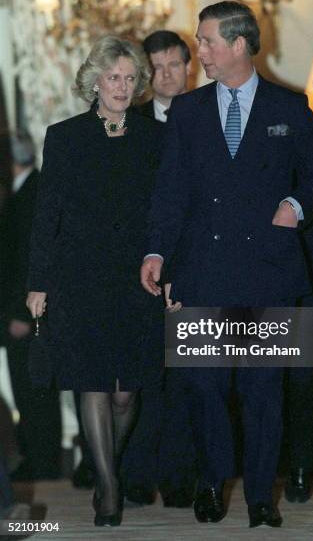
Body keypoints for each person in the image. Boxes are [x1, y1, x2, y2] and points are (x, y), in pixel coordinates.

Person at [141, 1, 313, 528]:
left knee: (264, 387)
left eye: (208, 42)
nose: (201, 53)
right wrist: (155, 251)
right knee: (203, 384)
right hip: (203, 269)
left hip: (269, 268)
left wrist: (296, 206)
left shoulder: (290, 109)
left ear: (239, 44)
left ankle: (262, 494)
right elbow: (169, 193)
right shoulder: (188, 111)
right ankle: (211, 482)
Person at [26, 36, 164, 527]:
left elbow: (164, 212)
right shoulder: (64, 136)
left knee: (126, 392)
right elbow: (48, 214)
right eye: (113, 78)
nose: (122, 87)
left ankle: (110, 463)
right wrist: (38, 281)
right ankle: (108, 487)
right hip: (79, 276)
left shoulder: (153, 138)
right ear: (94, 81)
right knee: (93, 382)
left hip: (135, 278)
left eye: (130, 78)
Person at [123, 30, 196, 509]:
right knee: (141, 374)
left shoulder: (211, 114)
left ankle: (179, 477)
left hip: (196, 263)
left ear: (189, 65)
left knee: (188, 376)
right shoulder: (129, 124)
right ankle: (135, 473)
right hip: (141, 266)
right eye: (157, 68)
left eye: (173, 65)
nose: (166, 75)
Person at [1, 132, 62, 481]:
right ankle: (38, 462)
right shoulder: (22, 192)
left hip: (26, 315)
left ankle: (44, 465)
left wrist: (23, 314)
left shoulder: (31, 193)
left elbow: (31, 260)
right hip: (18, 312)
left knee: (36, 393)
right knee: (29, 392)